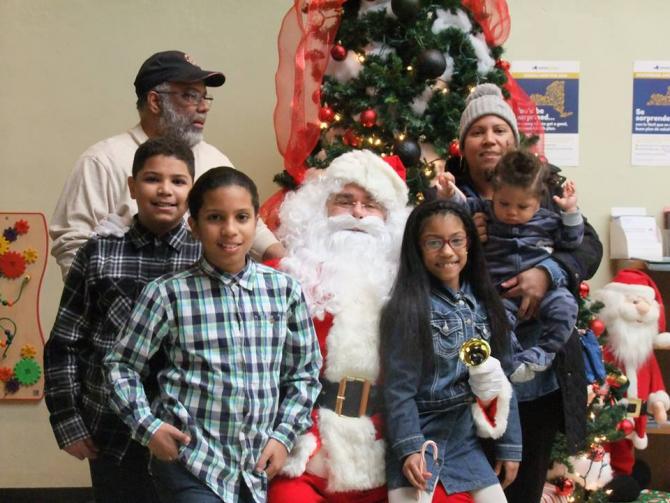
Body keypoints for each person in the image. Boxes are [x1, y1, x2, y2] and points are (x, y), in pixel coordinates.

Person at [104, 166, 322, 503]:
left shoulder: (284, 291)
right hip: (191, 462)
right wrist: (148, 428)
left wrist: (282, 437)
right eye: (216, 217)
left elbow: (304, 375)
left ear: (255, 222)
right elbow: (120, 365)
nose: (230, 230)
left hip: (257, 466)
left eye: (242, 217)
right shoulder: (167, 294)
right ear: (194, 225)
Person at [435, 83, 602, 503]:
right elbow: (422, 267)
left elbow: (588, 245)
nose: (489, 139)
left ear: (513, 138)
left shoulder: (544, 185)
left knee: (524, 487)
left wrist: (548, 272)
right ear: (463, 143)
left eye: (499, 130)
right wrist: (462, 242)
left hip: (542, 380)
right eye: (477, 131)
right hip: (469, 371)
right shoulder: (449, 200)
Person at [44, 136, 201, 503]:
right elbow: (65, 342)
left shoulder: (206, 253)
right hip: (112, 428)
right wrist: (68, 419)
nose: (165, 190)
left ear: (191, 188)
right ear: (132, 186)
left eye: (178, 181)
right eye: (152, 179)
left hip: (191, 430)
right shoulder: (100, 253)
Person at [50, 50, 282, 278]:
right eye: (190, 96)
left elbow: (249, 223)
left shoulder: (215, 161)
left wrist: (284, 259)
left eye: (205, 97)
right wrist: (103, 297)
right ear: (154, 101)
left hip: (202, 306)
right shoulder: (102, 160)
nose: (204, 107)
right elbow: (73, 241)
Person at [267, 150, 410, 503]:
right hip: (303, 445)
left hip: (382, 445)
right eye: (344, 201)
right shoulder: (283, 276)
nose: (358, 213)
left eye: (371, 204)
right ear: (318, 210)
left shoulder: (406, 285)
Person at [381, 200, 521, 503]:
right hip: (421, 430)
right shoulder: (407, 307)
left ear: (468, 243)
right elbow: (398, 389)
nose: (447, 252)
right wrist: (408, 448)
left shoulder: (484, 303)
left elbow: (501, 381)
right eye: (434, 242)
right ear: (417, 249)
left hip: (464, 434)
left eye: (456, 240)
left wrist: (510, 446)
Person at [443, 150, 583, 384]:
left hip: (546, 293)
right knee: (492, 324)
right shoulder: (484, 212)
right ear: (494, 195)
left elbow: (572, 241)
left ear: (538, 201)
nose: (511, 212)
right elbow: (461, 208)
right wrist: (449, 193)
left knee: (566, 306)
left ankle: (541, 355)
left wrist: (570, 211)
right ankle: (516, 362)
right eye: (504, 203)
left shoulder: (548, 220)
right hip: (500, 296)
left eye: (522, 206)